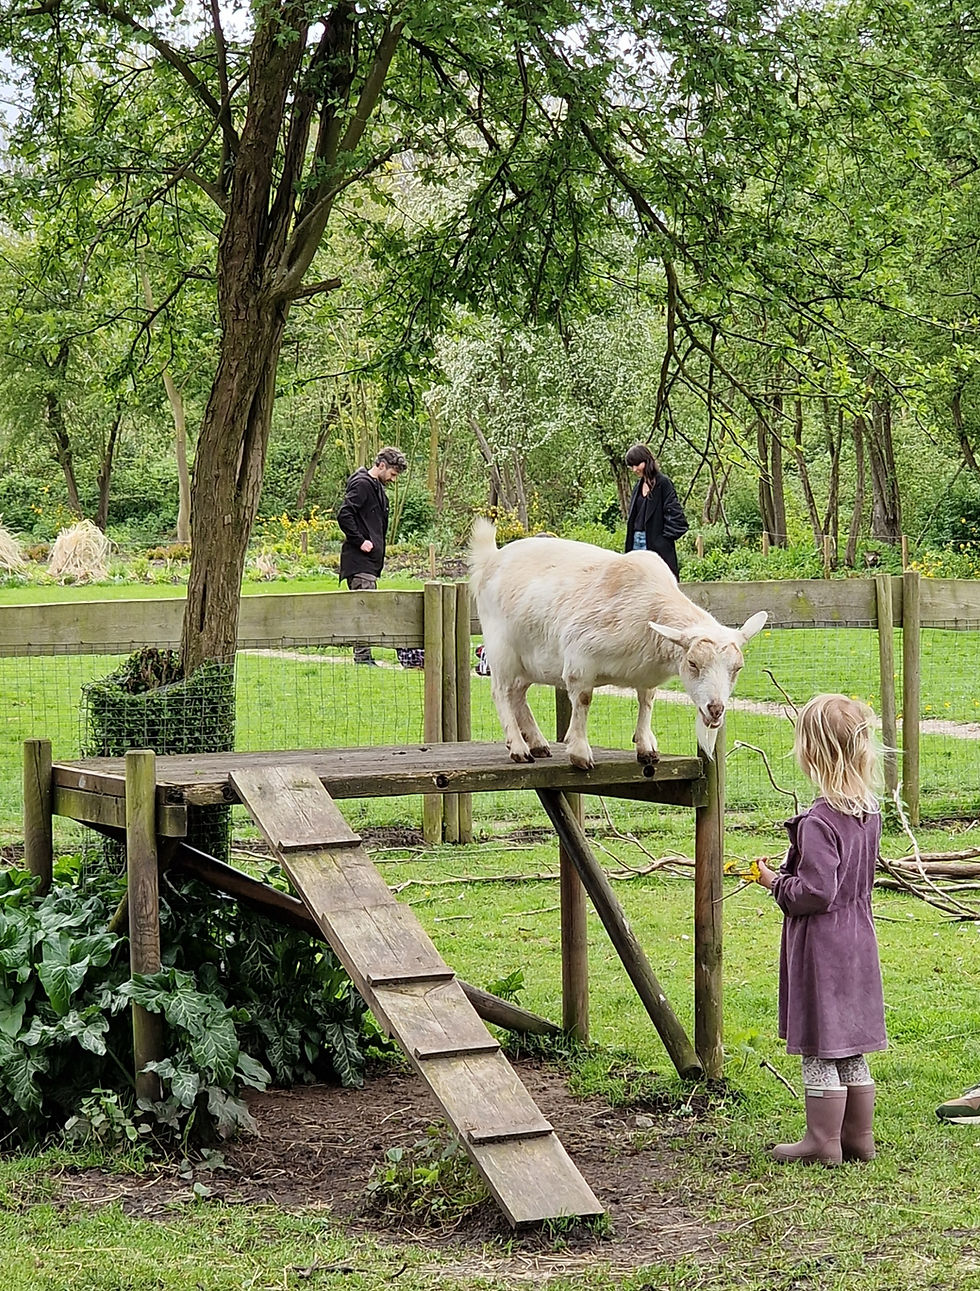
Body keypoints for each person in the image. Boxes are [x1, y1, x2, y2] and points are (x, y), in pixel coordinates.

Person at [755, 693, 886, 1167]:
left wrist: (775, 882)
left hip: (823, 945)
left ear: (812, 754)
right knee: (849, 1041)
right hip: (859, 937)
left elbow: (815, 893)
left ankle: (821, 1141)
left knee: (820, 1040)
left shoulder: (819, 822)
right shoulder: (868, 812)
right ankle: (859, 1138)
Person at [337, 446, 408, 665]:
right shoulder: (362, 485)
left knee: (367, 606)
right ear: (382, 465)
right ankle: (362, 658)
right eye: (393, 474)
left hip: (369, 563)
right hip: (359, 562)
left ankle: (364, 656)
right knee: (364, 608)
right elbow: (344, 514)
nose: (393, 479)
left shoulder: (375, 488)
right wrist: (361, 541)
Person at [624, 443, 689, 580]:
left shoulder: (663, 483)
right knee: (636, 585)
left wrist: (661, 539)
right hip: (636, 543)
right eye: (632, 466)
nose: (635, 469)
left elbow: (677, 518)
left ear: (647, 461)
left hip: (656, 547)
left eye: (637, 464)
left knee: (658, 584)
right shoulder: (638, 486)